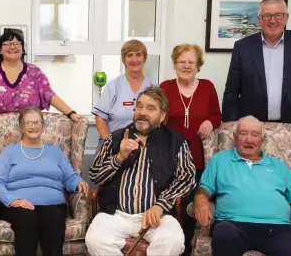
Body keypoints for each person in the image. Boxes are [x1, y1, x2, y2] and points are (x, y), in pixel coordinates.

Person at [85, 86, 196, 256]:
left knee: (173, 241)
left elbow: (187, 178)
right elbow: (95, 176)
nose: (142, 112)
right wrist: (119, 158)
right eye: (140, 106)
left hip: (156, 215)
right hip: (115, 214)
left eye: (150, 108)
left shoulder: (175, 142)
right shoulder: (115, 138)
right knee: (95, 239)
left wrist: (161, 205)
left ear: (162, 115)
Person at [194, 115, 291, 256]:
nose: (249, 139)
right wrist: (200, 197)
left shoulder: (279, 166)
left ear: (262, 140)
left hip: (278, 229)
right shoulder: (220, 159)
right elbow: (205, 187)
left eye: (255, 134)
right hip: (232, 224)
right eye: (243, 134)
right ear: (235, 136)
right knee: (224, 234)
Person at [0, 29, 83, 189]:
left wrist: (72, 114)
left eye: (17, 43)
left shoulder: (34, 72)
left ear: (23, 48)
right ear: (0, 49)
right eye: (7, 43)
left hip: (30, 135)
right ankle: (2, 208)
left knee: (28, 176)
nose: (12, 46)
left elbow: (49, 94)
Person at [0, 107, 90, 256]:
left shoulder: (55, 151)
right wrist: (13, 200)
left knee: (53, 220)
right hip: (19, 205)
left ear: (42, 125)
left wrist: (78, 182)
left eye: (37, 122)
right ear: (21, 127)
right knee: (27, 220)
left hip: (53, 204)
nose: (33, 126)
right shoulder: (10, 152)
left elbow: (69, 177)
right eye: (28, 123)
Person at [222, 0, 291, 133]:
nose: (273, 20)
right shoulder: (243, 47)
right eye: (267, 16)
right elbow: (231, 92)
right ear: (259, 20)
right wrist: (230, 124)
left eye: (278, 15)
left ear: (286, 17)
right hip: (251, 129)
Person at [159, 43, 221, 255]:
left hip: (197, 160)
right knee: (167, 209)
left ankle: (185, 251)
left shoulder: (207, 87)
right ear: (175, 64)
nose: (186, 66)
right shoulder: (165, 87)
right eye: (181, 62)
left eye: (191, 62)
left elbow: (217, 114)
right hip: (169, 159)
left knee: (188, 211)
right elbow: (156, 118)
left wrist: (210, 122)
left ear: (198, 65)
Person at [92, 39, 157, 150]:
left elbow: (158, 119)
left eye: (138, 55)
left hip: (146, 148)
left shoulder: (153, 86)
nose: (134, 59)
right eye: (129, 55)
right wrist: (111, 145)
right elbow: (100, 118)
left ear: (144, 58)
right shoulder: (113, 86)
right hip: (116, 146)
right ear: (123, 60)